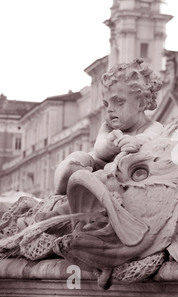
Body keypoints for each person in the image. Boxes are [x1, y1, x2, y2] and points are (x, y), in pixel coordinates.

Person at [53, 58, 164, 195]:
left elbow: (153, 141)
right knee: (79, 156)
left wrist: (136, 142)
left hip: (127, 171)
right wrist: (109, 145)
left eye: (118, 102)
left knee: (115, 169)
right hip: (97, 165)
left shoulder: (153, 126)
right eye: (106, 104)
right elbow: (99, 149)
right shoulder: (108, 127)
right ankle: (67, 175)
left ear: (140, 104)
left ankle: (88, 181)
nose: (110, 109)